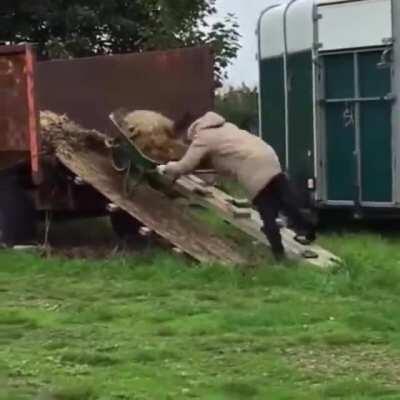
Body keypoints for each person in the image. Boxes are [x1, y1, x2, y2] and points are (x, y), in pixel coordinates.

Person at [157, 112, 315, 259]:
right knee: (286, 201)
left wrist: (166, 168)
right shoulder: (225, 126)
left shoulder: (203, 137)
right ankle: (308, 230)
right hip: (269, 157)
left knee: (268, 216)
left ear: (188, 130)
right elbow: (225, 156)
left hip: (253, 168)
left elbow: (186, 165)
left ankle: (279, 257)